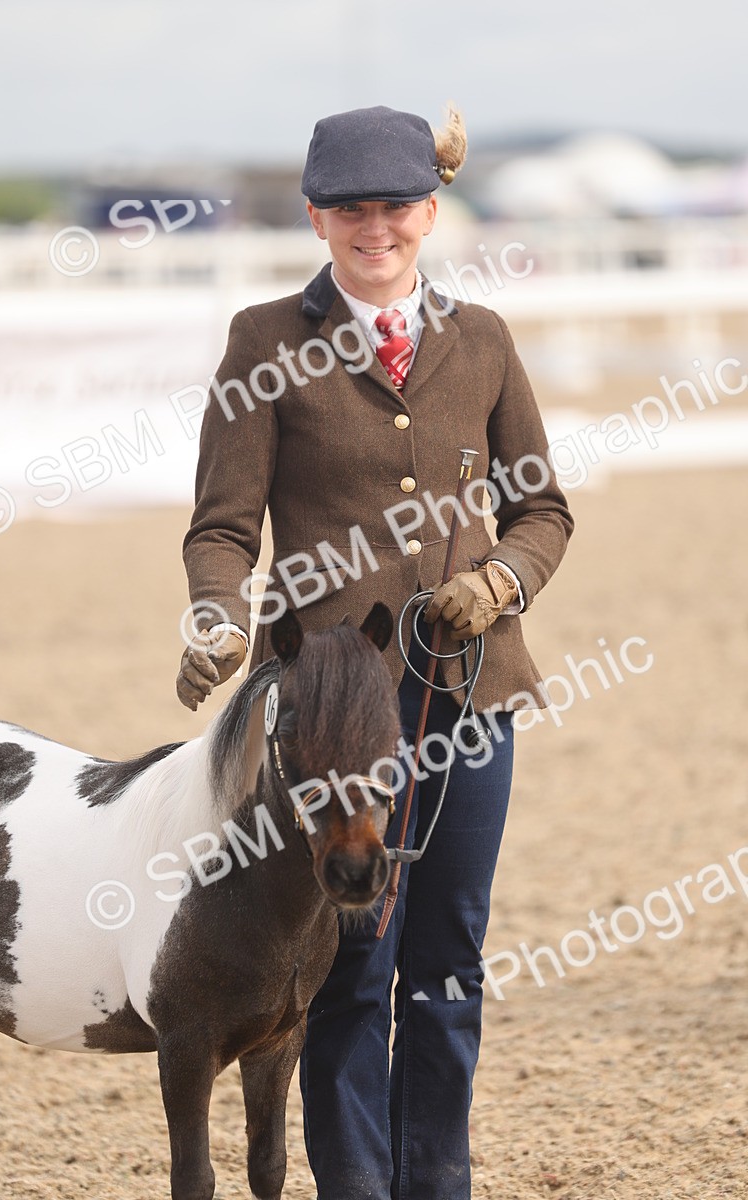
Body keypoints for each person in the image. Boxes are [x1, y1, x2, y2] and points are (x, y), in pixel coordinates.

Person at [176, 103, 573, 1200]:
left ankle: (430, 1183)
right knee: (350, 963)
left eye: (393, 205)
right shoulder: (264, 342)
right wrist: (215, 616)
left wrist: (501, 579)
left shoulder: (482, 338)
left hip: (467, 696)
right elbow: (221, 529)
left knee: (445, 959)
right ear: (315, 218)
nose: (373, 226)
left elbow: (541, 509)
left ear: (429, 212)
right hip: (329, 715)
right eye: (349, 208)